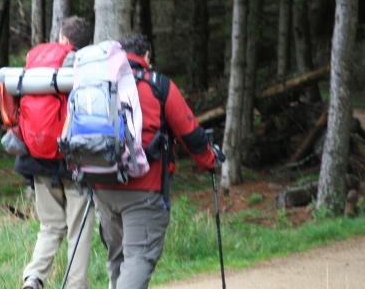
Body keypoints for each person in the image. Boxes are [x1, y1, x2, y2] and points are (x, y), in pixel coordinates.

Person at [93, 34, 216, 289]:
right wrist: (210, 160)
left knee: (117, 258)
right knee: (138, 258)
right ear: (146, 56)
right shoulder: (158, 85)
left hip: (101, 185)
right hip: (143, 190)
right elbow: (189, 132)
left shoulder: (97, 83)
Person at [16, 16, 94, 289]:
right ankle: (75, 286)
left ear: (63, 38)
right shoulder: (83, 65)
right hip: (73, 161)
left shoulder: (37, 61)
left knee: (50, 226)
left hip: (36, 159)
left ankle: (33, 279)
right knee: (78, 229)